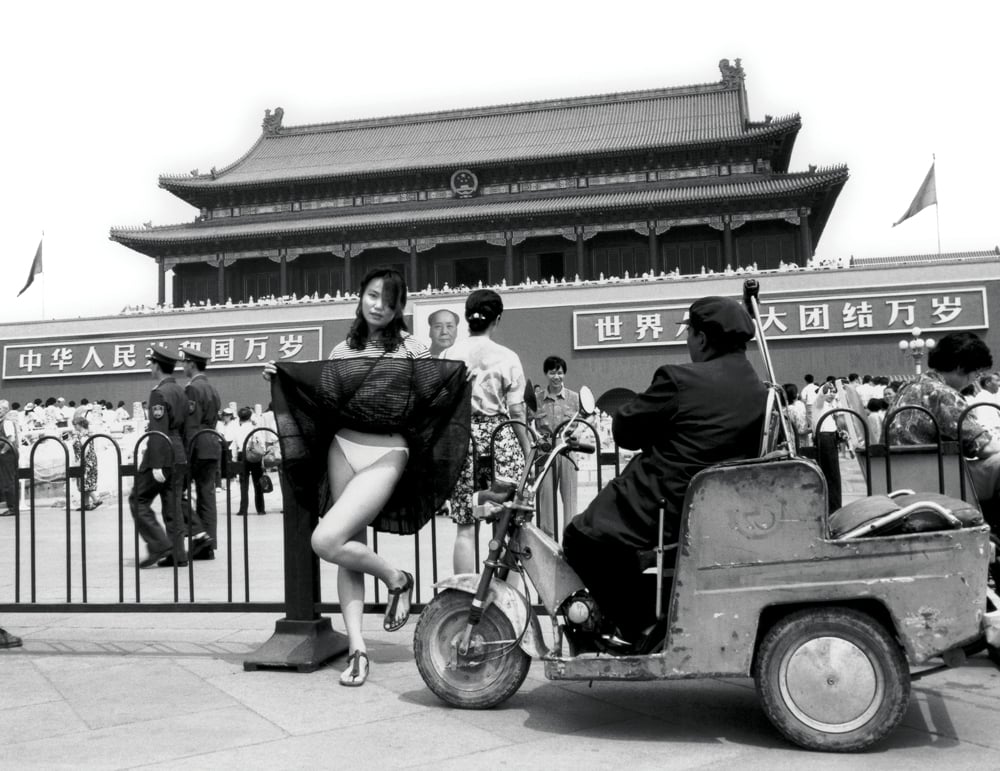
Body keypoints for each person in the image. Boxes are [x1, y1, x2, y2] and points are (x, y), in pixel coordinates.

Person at [263, 267, 469, 687]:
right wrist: (282, 380)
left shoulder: (412, 348)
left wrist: (463, 384)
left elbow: (432, 398)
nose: (378, 305)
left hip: (387, 452)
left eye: (388, 301)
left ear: (399, 308)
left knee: (326, 540)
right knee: (348, 544)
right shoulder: (342, 350)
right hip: (343, 447)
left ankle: (396, 577)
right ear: (361, 296)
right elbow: (325, 402)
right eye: (373, 296)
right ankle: (358, 647)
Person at [562, 296, 767, 645]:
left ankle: (641, 624)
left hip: (663, 503)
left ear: (701, 338)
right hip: (715, 505)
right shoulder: (758, 389)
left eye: (689, 333)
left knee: (581, 539)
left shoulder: (679, 379)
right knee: (616, 552)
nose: (687, 341)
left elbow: (625, 431)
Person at [443, 289, 532, 573]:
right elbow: (517, 412)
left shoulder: (448, 354)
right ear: (498, 319)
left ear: (467, 318)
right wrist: (529, 452)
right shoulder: (508, 357)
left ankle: (465, 598)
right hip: (500, 440)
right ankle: (505, 604)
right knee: (507, 524)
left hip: (463, 441)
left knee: (466, 526)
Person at [888, 332, 1000, 516]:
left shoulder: (909, 386)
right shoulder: (942, 393)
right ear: (960, 366)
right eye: (976, 372)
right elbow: (985, 447)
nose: (975, 379)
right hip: (935, 479)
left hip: (901, 476)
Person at [129, 344, 189, 568]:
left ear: (157, 366)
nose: (150, 368)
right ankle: (178, 555)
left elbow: (158, 431)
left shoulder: (159, 393)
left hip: (162, 453)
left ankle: (159, 544)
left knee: (138, 499)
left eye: (151, 364)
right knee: (173, 506)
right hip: (179, 452)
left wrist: (156, 464)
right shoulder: (181, 391)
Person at [531, 355, 585, 536]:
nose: (556, 377)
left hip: (567, 449)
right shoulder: (536, 399)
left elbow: (586, 418)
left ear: (564, 374)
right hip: (544, 449)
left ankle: (570, 540)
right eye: (552, 372)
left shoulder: (574, 398)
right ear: (546, 374)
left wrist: (578, 432)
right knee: (546, 499)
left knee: (570, 498)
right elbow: (525, 423)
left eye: (560, 373)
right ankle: (549, 541)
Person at [179, 346, 223, 560]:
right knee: (207, 496)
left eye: (184, 362)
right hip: (212, 443)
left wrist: (185, 454)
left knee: (178, 494)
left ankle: (199, 534)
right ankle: (208, 545)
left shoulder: (192, 389)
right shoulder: (212, 388)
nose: (183, 366)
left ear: (191, 364)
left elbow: (191, 424)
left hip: (197, 446)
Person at [812, 381, 846, 513]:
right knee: (830, 474)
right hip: (824, 439)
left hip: (830, 438)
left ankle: (835, 506)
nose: (831, 394)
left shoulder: (828, 406)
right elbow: (821, 395)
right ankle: (832, 508)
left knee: (834, 475)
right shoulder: (818, 403)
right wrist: (825, 388)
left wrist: (839, 434)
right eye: (829, 392)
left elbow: (830, 424)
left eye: (834, 391)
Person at [233, 407, 266, 516]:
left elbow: (234, 445)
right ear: (250, 416)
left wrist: (234, 458)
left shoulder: (237, 429)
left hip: (242, 454)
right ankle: (260, 509)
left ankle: (243, 509)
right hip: (254, 454)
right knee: (258, 482)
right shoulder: (254, 428)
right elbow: (261, 442)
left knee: (243, 484)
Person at [71, 409, 101, 510]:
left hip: (86, 460)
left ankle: (96, 500)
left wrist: (81, 460)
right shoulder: (85, 433)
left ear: (80, 424)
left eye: (76, 424)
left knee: (85, 482)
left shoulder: (83, 435)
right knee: (85, 482)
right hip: (89, 459)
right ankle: (86, 504)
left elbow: (86, 448)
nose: (74, 426)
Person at [0, 400, 19, 516]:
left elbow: (10, 439)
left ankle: (13, 507)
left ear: (5, 410)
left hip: (8, 455)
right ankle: (10, 506)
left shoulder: (6, 423)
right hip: (5, 454)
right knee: (5, 480)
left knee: (9, 481)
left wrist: (3, 451)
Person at [782, 383, 811, 450]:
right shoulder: (797, 408)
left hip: (786, 444)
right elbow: (801, 430)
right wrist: (814, 429)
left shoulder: (781, 409)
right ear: (795, 395)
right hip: (798, 444)